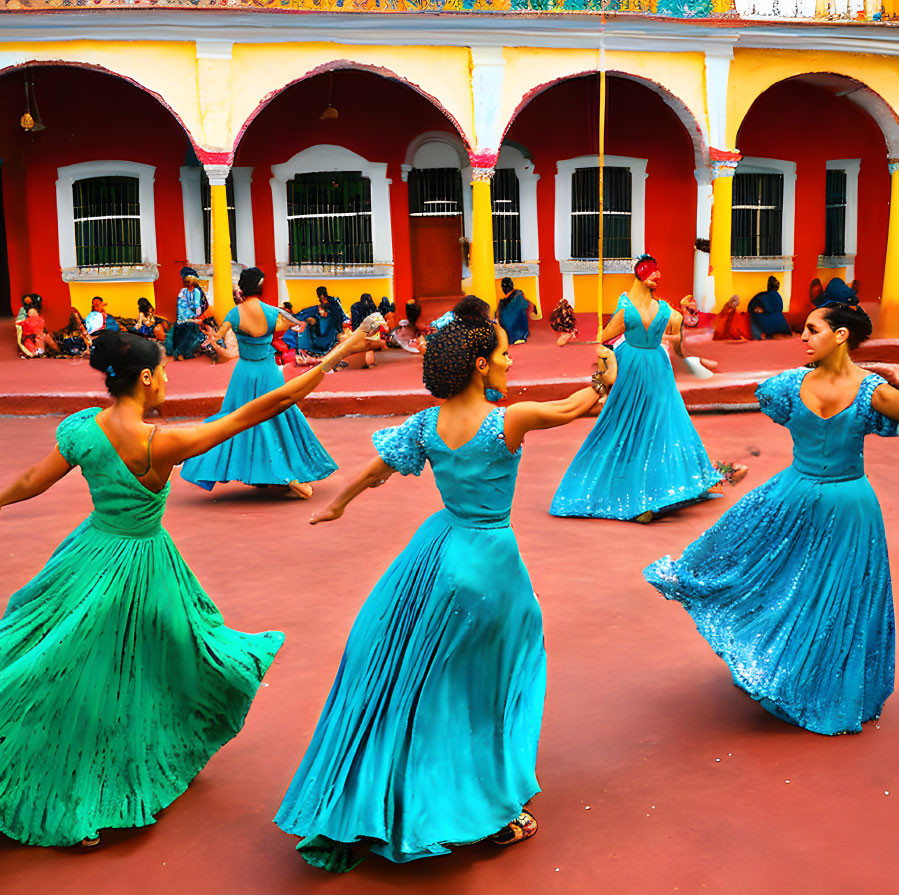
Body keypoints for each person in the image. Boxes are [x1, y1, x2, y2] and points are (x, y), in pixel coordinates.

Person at [0, 322, 377, 848]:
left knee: (58, 661)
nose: (166, 379)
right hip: (137, 565)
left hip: (86, 555)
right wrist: (344, 349)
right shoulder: (161, 444)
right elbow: (268, 406)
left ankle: (21, 761)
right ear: (145, 378)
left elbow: (36, 476)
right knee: (135, 663)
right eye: (163, 371)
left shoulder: (82, 431)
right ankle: (84, 793)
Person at [274, 296, 620, 871]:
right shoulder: (509, 418)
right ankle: (484, 807)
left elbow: (375, 471)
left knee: (431, 684)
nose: (511, 362)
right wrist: (606, 372)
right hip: (489, 563)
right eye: (505, 354)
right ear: (481, 364)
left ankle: (420, 793)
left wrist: (336, 506)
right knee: (489, 682)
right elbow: (573, 407)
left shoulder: (426, 424)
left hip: (437, 555)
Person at [645, 304, 897, 735]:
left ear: (839, 335)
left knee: (814, 590)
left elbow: (771, 399)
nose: (803, 336)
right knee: (820, 591)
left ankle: (793, 676)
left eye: (813, 330)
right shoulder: (873, 392)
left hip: (804, 495)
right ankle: (803, 678)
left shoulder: (789, 386)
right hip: (842, 500)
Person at [551, 255, 741, 523]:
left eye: (657, 272)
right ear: (641, 275)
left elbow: (606, 340)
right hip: (644, 366)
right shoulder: (644, 311)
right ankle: (651, 492)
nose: (657, 276)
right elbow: (607, 341)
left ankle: (658, 490)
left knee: (658, 423)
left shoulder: (656, 312)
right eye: (652, 272)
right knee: (637, 422)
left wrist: (603, 352)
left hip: (648, 367)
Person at [181, 268, 356, 499]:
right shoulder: (272, 313)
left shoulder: (234, 314)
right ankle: (283, 476)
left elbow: (222, 348)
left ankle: (283, 478)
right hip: (268, 371)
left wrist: (213, 341)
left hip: (244, 372)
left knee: (237, 420)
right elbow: (297, 325)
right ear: (261, 287)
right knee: (276, 418)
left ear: (241, 289)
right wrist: (286, 314)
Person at [164, 267, 215, 361]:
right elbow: (182, 310)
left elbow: (199, 308)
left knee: (191, 328)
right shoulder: (183, 292)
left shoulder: (197, 292)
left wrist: (196, 317)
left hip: (197, 320)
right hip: (186, 320)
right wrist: (191, 318)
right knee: (186, 327)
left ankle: (182, 352)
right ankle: (179, 352)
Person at [496, 277, 532, 344]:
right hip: (512, 331)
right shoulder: (503, 301)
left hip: (514, 331)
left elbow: (524, 305)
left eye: (505, 287)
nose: (504, 289)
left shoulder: (518, 295)